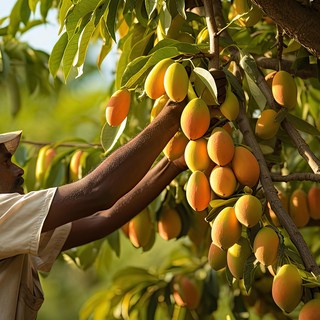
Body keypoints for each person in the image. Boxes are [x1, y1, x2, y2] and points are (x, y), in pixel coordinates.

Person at [0, 99, 187, 319]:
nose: (19, 170)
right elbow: (96, 192)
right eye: (5, 162)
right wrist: (172, 116)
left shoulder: (13, 226)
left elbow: (103, 219)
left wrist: (175, 162)